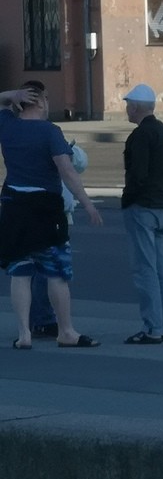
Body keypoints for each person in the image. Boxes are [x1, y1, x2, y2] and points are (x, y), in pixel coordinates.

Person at [0, 81, 103, 349]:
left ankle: (24, 334)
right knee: (56, 271)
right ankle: (66, 331)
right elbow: (68, 171)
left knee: (20, 272)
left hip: (13, 203)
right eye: (45, 98)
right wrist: (88, 203)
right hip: (44, 206)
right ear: (41, 101)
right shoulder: (49, 132)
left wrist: (11, 95)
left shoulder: (7, 125)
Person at [121, 83, 163, 345]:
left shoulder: (140, 136)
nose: (126, 110)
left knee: (145, 269)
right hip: (161, 206)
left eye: (127, 105)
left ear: (134, 106)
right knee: (162, 268)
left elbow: (137, 175)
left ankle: (152, 327)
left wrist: (128, 200)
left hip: (142, 208)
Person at [28, 139, 89, 337]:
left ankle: (45, 318)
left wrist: (70, 152)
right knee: (48, 269)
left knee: (49, 269)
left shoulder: (51, 137)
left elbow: (80, 163)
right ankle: (43, 319)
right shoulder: (31, 142)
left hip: (58, 213)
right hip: (45, 212)